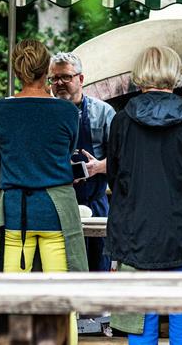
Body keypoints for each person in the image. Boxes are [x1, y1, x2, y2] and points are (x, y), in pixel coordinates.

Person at [106, 46, 182, 344]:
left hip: (137, 235)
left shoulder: (121, 121)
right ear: (175, 73)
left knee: (142, 322)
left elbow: (115, 176)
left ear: (140, 74)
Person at [0, 39, 87, 344]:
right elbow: (68, 153)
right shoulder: (67, 112)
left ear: (17, 71)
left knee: (15, 300)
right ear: (47, 70)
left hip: (16, 211)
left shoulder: (1, 110)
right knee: (59, 302)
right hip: (56, 212)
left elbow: (0, 160)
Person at [50, 51, 116, 271]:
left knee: (97, 269)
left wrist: (97, 167)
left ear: (80, 78)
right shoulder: (45, 114)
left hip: (95, 204)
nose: (59, 83)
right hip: (56, 205)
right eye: (55, 78)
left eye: (66, 77)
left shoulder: (104, 112)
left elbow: (123, 157)